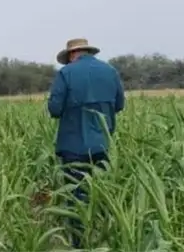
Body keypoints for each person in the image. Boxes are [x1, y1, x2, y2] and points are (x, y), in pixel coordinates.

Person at [47, 38, 125, 249]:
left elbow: (54, 109)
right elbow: (119, 104)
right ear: (88, 52)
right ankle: (103, 237)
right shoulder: (110, 71)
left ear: (72, 55)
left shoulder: (66, 73)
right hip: (103, 143)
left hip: (74, 145)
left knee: (77, 195)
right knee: (101, 190)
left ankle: (79, 242)